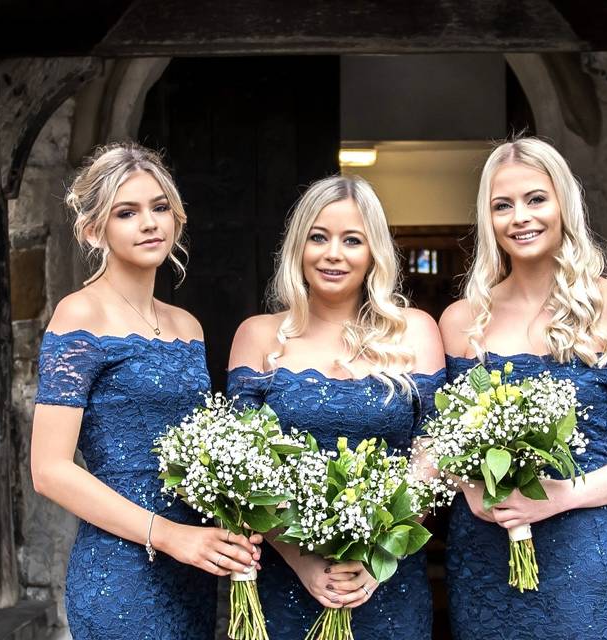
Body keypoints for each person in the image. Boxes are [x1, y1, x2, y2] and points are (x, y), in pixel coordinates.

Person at [440, 137, 607, 639]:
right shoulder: (462, 320)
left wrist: (558, 496)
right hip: (483, 560)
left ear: (563, 204)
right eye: (502, 206)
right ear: (488, 219)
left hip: (582, 557)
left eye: (535, 199)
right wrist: (470, 486)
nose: (519, 217)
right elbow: (442, 440)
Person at [30, 143, 261, 640]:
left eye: (159, 208)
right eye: (127, 212)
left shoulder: (187, 327)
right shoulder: (79, 316)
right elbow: (48, 471)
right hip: (120, 568)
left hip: (193, 567)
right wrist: (168, 535)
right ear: (95, 229)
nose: (150, 223)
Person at [227, 175, 444, 639]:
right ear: (297, 247)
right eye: (318, 237)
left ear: (374, 253)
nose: (333, 253)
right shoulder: (257, 335)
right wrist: (302, 562)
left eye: (352, 240)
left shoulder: (416, 331)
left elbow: (435, 452)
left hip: (388, 579)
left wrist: (378, 556)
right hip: (287, 580)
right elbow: (242, 465)